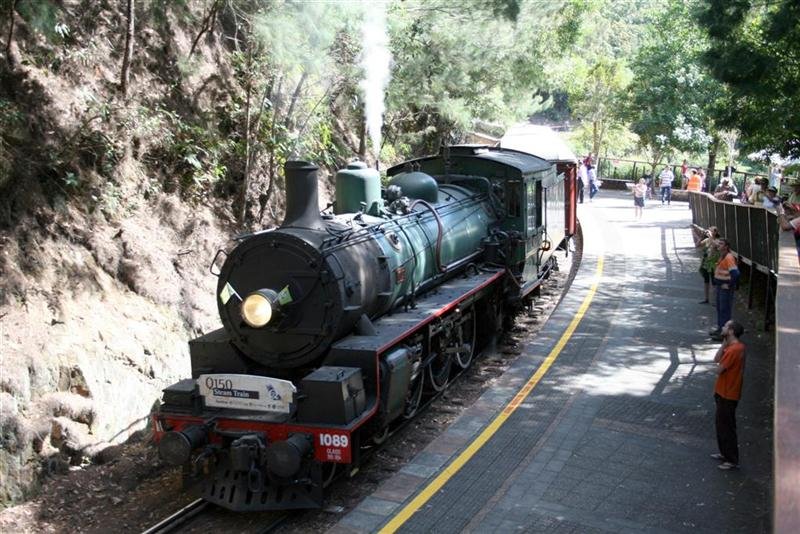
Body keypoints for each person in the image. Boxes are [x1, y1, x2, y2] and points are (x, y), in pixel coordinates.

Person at [710, 320, 746, 470]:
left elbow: (718, 369)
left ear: (731, 331)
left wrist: (725, 348)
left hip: (728, 393)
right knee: (721, 424)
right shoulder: (732, 347)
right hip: (723, 391)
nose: (722, 328)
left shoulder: (734, 350)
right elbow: (716, 359)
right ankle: (725, 453)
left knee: (727, 427)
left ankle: (731, 459)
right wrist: (723, 344)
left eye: (725, 326)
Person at [710, 238, 739, 339]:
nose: (719, 245)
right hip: (720, 287)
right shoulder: (722, 256)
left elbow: (735, 274)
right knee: (719, 308)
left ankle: (724, 334)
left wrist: (729, 285)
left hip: (725, 288)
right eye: (719, 243)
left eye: (721, 244)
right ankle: (720, 329)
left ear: (726, 246)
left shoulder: (729, 257)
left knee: (724, 310)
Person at [696, 226, 720, 304]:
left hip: (714, 264)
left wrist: (709, 236)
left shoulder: (718, 240)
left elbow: (716, 245)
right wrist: (701, 236)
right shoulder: (706, 240)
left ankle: (715, 301)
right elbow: (697, 245)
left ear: (716, 232)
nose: (711, 232)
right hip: (706, 263)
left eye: (712, 231)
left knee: (714, 283)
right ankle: (706, 299)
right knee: (706, 281)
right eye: (710, 231)